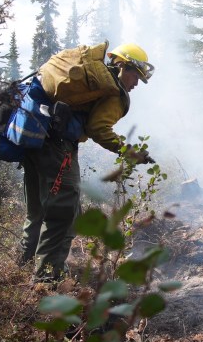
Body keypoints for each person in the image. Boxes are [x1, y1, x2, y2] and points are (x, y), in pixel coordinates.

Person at [20, 42, 155, 282]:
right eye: (136, 75)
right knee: (64, 213)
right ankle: (45, 281)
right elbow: (98, 129)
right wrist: (129, 152)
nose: (136, 84)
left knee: (38, 211)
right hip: (59, 148)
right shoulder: (113, 92)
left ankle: (21, 267)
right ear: (122, 66)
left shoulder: (94, 79)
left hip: (35, 141)